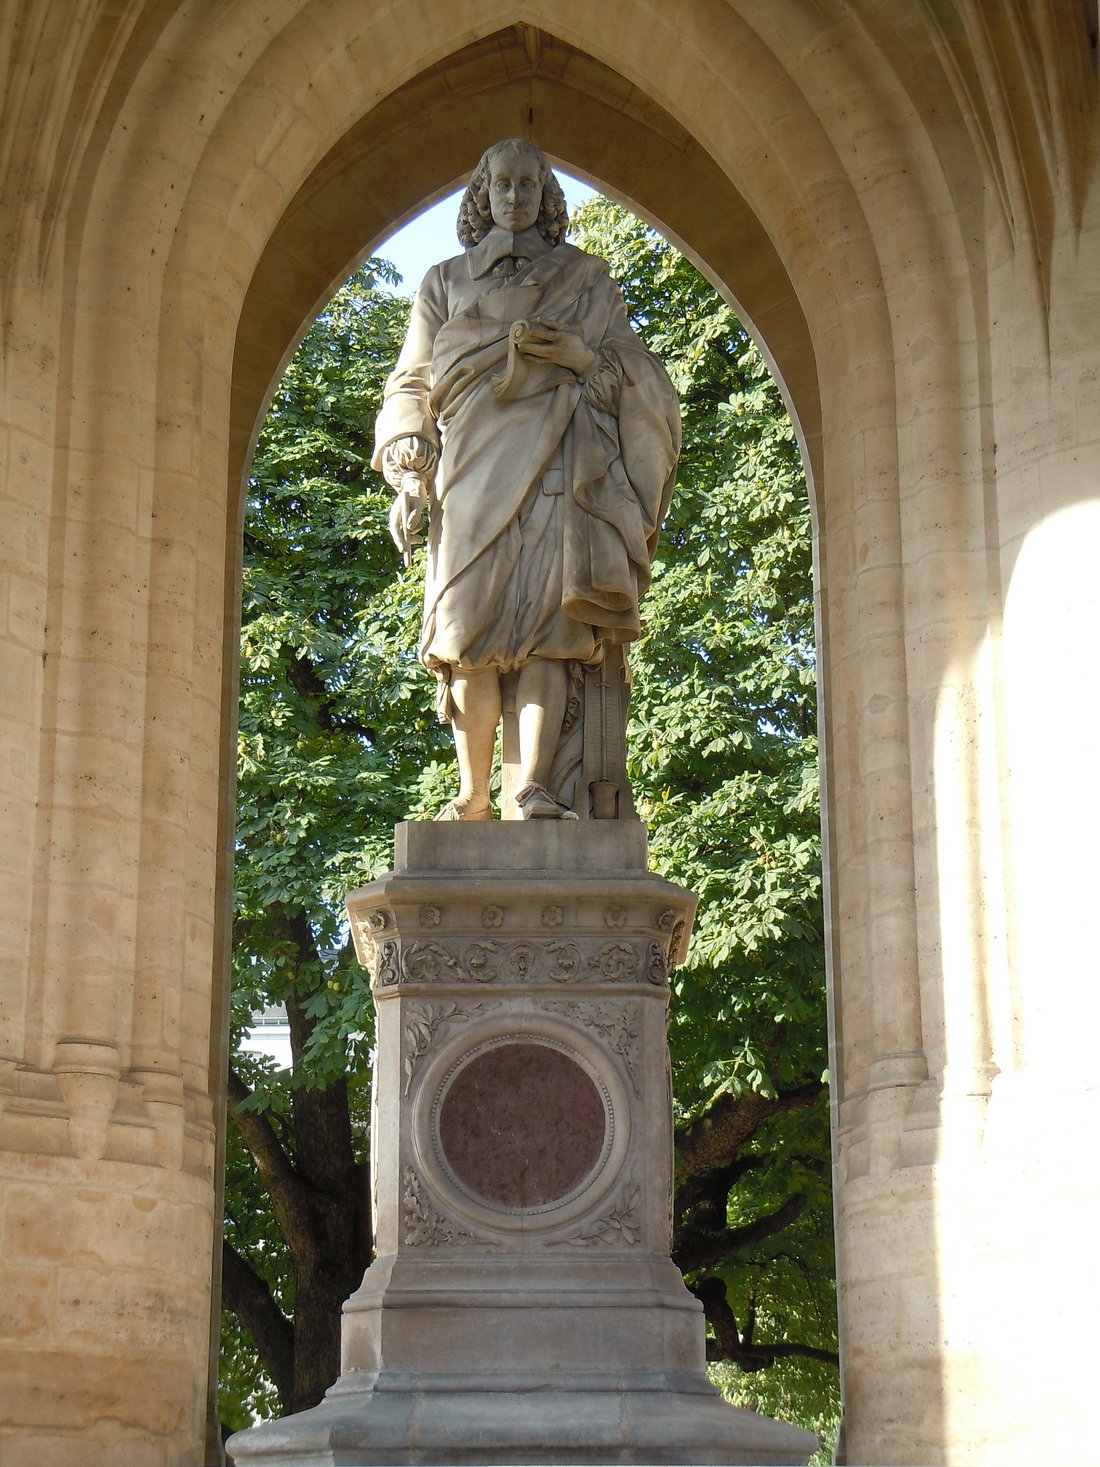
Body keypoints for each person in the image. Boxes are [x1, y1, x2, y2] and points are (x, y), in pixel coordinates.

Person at [373, 138, 680, 820]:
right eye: (502, 184)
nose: (514, 196)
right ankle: (473, 793)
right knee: (465, 635)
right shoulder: (444, 282)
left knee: (550, 632)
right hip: (468, 476)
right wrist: (408, 465)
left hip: (557, 470)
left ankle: (534, 787)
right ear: (483, 194)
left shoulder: (586, 279)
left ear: (546, 195)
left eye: (527, 184)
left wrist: (582, 357)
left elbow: (639, 376)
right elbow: (412, 381)